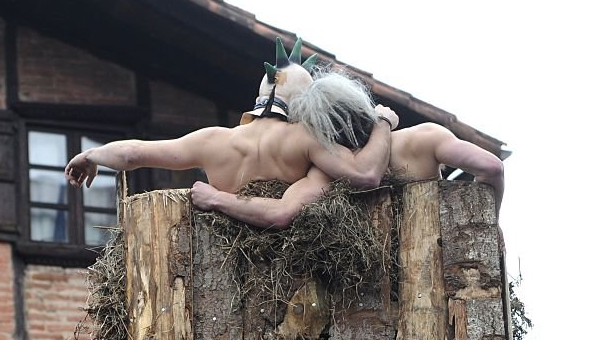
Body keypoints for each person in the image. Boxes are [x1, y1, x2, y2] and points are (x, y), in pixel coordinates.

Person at [65, 38, 397, 219]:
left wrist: (92, 154)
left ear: (259, 94)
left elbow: (133, 152)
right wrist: (383, 122)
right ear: (305, 104)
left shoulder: (214, 139)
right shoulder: (306, 139)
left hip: (221, 259)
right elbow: (365, 176)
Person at [191, 117, 506, 229]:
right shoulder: (426, 139)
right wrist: (491, 223)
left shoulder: (328, 171)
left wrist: (217, 198)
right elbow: (492, 166)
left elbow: (279, 213)